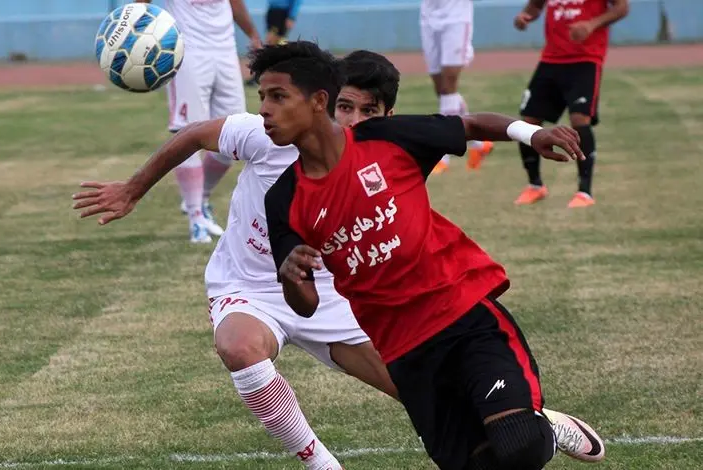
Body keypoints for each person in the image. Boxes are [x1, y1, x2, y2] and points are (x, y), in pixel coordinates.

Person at [73, 47, 605, 469]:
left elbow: (462, 129)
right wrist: (133, 188)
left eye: (365, 110)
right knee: (239, 347)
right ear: (326, 103)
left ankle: (536, 421)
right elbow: (193, 135)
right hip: (251, 286)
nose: (353, 119)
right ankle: (321, 463)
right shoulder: (269, 150)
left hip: (344, 296)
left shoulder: (382, 146)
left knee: (441, 403)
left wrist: (529, 132)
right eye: (346, 107)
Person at [256, 41, 597, 470]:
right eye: (262, 97)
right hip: (404, 352)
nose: (264, 110)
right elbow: (305, 305)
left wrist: (533, 134)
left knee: (521, 445)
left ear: (318, 100)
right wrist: (290, 276)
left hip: (463, 316)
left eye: (278, 96)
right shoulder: (283, 198)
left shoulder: (385, 138)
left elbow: (470, 124)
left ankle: (544, 427)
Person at [137, 0, 261, 242]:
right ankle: (196, 219)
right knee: (188, 133)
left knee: (234, 138)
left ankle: (199, 199)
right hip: (187, 51)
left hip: (226, 50)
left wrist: (253, 34)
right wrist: (140, 32)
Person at [512, 0, 629, 207]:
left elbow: (622, 7)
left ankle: (584, 192)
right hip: (551, 59)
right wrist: (524, 17)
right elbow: (535, 6)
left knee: (579, 119)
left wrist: (591, 24)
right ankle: (535, 185)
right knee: (529, 120)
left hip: (586, 58)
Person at [419, 0, 494, 174]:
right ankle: (479, 144)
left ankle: (443, 154)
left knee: (448, 87)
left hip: (456, 17)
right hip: (428, 17)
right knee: (442, 90)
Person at [245, 0, 303, 87]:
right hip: (272, 11)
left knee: (271, 45)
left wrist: (292, 16)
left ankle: (260, 75)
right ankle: (264, 75)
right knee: (273, 45)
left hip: (282, 12)